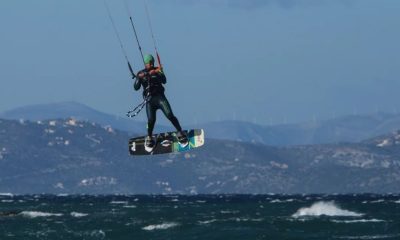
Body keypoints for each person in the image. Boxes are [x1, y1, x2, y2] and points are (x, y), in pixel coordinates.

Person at [134, 54, 188, 149]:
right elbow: (136, 88)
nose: (149, 64)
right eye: (147, 63)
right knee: (151, 120)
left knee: (170, 115)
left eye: (151, 63)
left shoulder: (157, 70)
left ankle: (180, 132)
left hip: (160, 98)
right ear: (145, 63)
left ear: (153, 62)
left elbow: (164, 81)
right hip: (150, 100)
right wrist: (138, 78)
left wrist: (161, 73)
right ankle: (149, 137)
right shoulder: (141, 73)